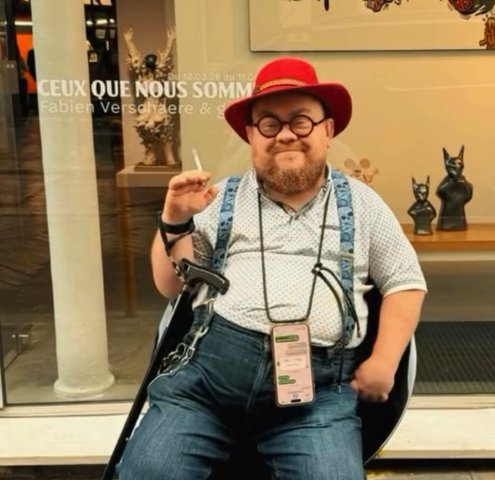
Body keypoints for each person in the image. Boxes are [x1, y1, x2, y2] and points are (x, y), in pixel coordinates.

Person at [118, 56, 427, 480]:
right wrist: (175, 220)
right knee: (149, 472)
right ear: (251, 135)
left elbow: (405, 282)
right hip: (206, 388)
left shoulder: (363, 204)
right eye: (268, 123)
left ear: (328, 131)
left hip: (316, 399)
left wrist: (384, 362)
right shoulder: (220, 198)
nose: (285, 134)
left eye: (301, 121)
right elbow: (171, 284)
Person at [123, 27, 179, 169]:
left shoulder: (160, 76)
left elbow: (165, 60)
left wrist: (170, 41)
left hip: (158, 106)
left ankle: (170, 158)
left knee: (164, 132)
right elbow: (135, 60)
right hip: (147, 106)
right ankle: (150, 157)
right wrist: (129, 42)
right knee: (147, 133)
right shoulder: (142, 77)